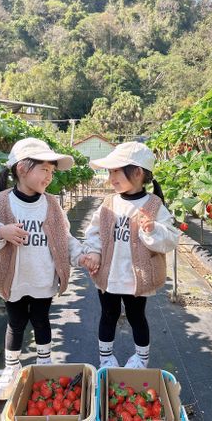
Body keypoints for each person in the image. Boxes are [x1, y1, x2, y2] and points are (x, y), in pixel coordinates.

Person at [0, 138, 95, 400]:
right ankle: (11, 368)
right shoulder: (2, 203)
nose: (49, 177)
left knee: (41, 321)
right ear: (21, 169)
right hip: (14, 279)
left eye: (52, 172)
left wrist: (81, 256)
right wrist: (1, 231)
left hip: (42, 277)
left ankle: (44, 365)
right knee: (15, 323)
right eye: (44, 170)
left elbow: (65, 238)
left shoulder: (51, 204)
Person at [83, 141, 180, 369]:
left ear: (137, 172)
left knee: (137, 317)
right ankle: (106, 359)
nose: (111, 178)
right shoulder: (109, 203)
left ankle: (141, 359)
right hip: (109, 274)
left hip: (136, 277)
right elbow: (94, 232)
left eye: (116, 171)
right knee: (108, 314)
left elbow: (171, 239)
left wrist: (153, 229)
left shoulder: (154, 206)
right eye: (110, 172)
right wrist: (94, 252)